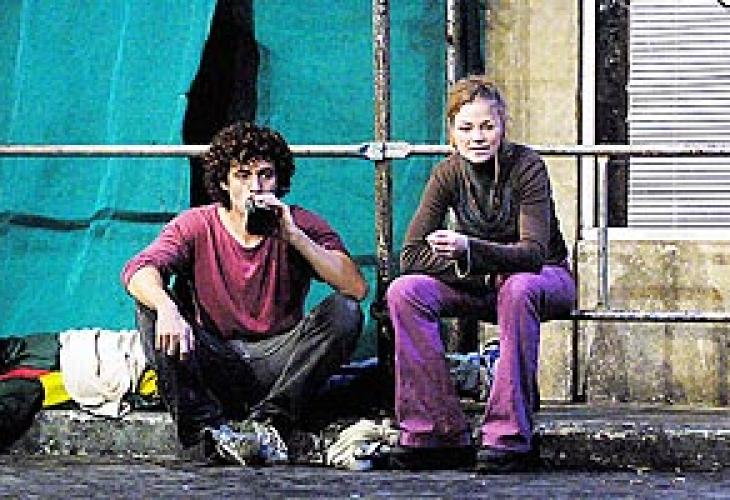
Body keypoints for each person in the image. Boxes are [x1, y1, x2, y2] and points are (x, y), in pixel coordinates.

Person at [121, 121, 368, 465]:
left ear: (278, 180)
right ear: (224, 181)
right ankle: (203, 436)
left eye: (266, 175)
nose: (255, 186)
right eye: (243, 175)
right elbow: (138, 269)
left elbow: (355, 288)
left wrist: (295, 237)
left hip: (278, 360)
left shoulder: (299, 222)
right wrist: (166, 307)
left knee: (345, 311)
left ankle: (271, 424)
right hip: (216, 356)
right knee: (150, 307)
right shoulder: (197, 224)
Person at [385, 76, 575, 472]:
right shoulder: (447, 174)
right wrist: (480, 273)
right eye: (466, 128)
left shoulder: (527, 166)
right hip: (486, 282)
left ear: (503, 126)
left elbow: (534, 253)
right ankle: (434, 430)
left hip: (545, 277)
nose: (477, 137)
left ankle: (508, 434)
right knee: (405, 291)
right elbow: (411, 255)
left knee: (518, 287)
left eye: (487, 126)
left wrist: (470, 250)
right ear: (452, 132)